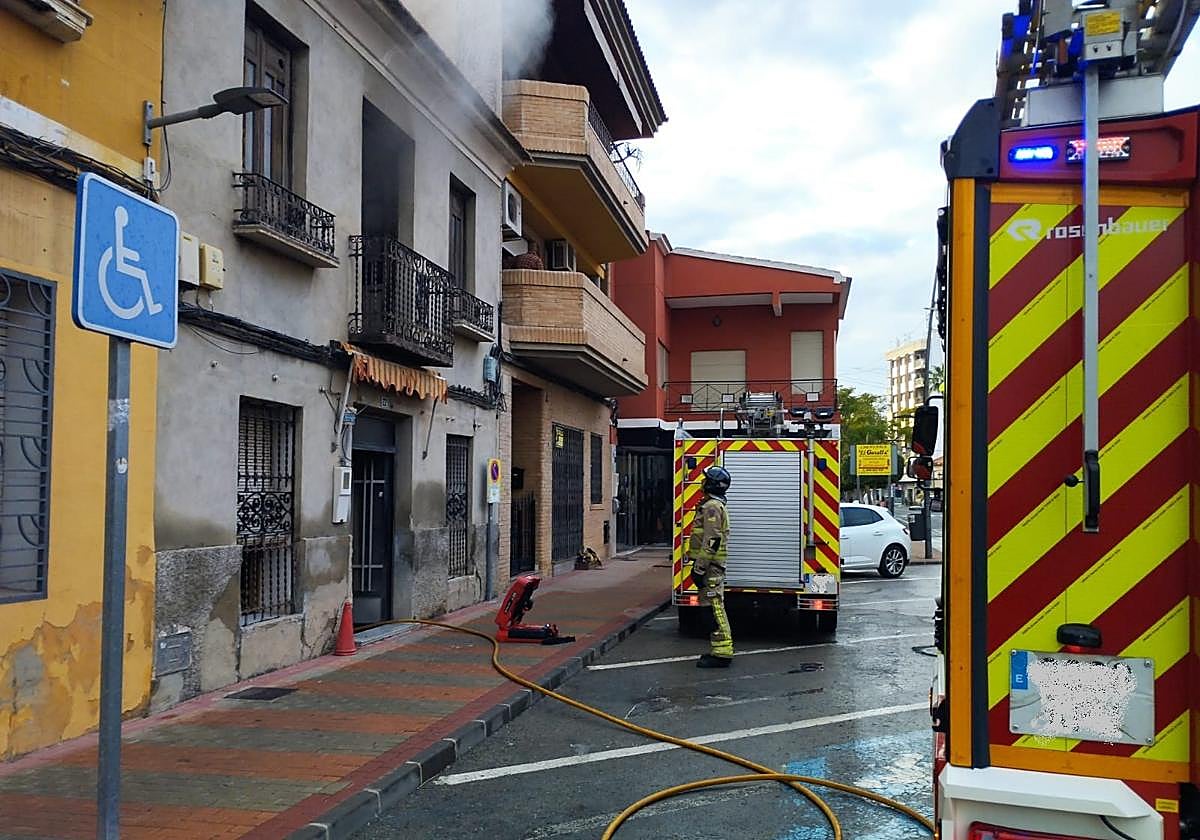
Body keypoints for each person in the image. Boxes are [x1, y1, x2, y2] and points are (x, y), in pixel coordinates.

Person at [689, 465, 733, 668]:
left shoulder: (712, 507)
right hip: (712, 566)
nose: (703, 482)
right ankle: (719, 650)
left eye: (706, 479)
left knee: (715, 608)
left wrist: (699, 568)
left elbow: (712, 539)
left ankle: (722, 654)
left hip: (710, 568)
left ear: (713, 484)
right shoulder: (712, 505)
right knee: (711, 608)